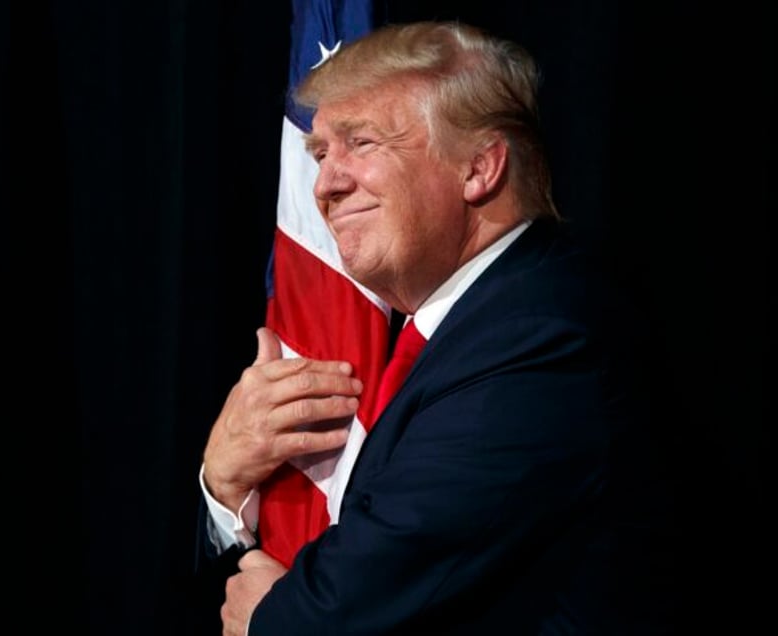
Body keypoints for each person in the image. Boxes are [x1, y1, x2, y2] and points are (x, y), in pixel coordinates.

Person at [197, 20, 678, 635]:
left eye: (361, 143)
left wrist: (273, 616)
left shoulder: (542, 335)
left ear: (479, 169)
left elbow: (346, 608)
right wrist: (225, 483)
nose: (325, 185)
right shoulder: (452, 328)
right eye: (320, 154)